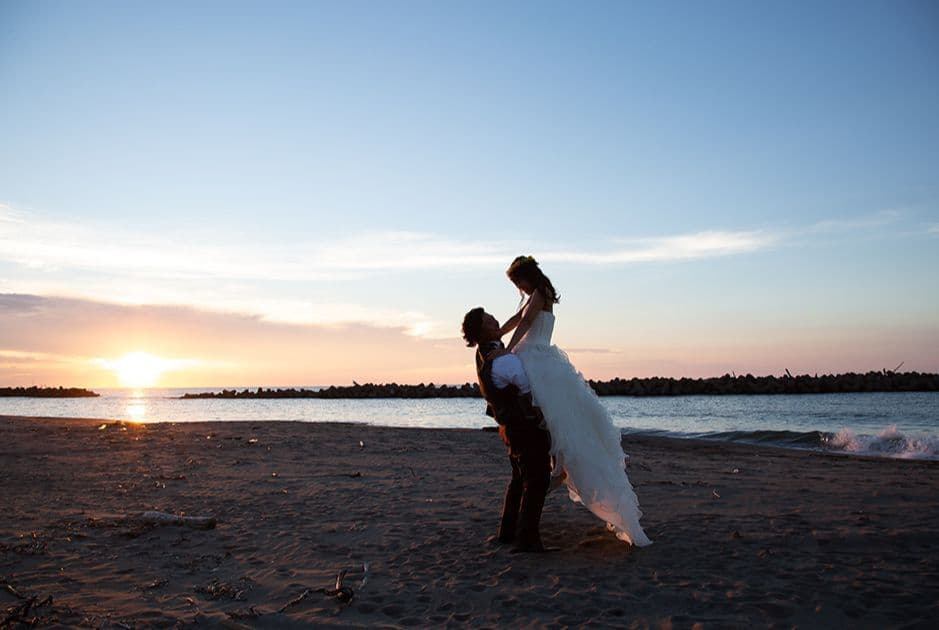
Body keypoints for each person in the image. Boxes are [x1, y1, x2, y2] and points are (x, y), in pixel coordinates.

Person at [499, 255, 652, 547]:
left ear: (527, 277)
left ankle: (559, 470)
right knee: (555, 422)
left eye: (517, 281)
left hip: (538, 359)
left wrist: (506, 349)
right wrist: (499, 335)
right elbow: (517, 319)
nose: (516, 287)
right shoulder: (532, 295)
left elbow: (527, 322)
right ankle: (557, 468)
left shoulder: (539, 295)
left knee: (560, 422)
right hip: (537, 359)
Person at [462, 307, 554, 553]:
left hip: (508, 428)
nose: (494, 318)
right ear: (484, 329)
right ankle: (527, 539)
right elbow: (527, 390)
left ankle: (508, 532)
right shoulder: (503, 359)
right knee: (538, 479)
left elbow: (515, 321)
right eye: (488, 318)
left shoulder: (485, 354)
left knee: (519, 479)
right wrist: (542, 418)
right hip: (523, 427)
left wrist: (529, 305)